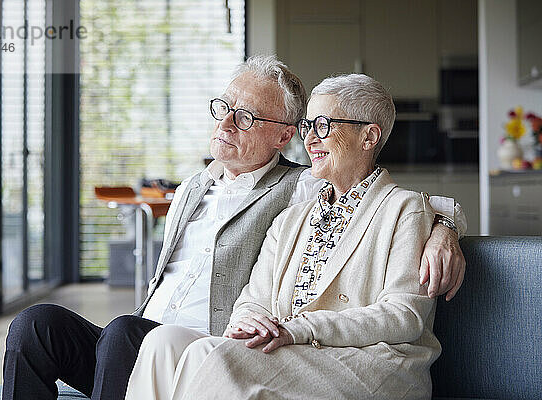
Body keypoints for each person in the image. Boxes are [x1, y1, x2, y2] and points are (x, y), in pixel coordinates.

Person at [2, 56, 465, 400]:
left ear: (283, 135)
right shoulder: (191, 188)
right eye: (224, 107)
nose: (225, 122)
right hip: (145, 341)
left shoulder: (297, 186)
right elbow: (253, 297)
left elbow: (396, 201)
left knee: (127, 332)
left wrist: (445, 226)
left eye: (244, 116)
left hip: (204, 341)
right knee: (36, 324)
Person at [126, 73, 445, 400]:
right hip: (295, 348)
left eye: (324, 126)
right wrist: (248, 322)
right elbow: (252, 300)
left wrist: (301, 328)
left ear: (368, 137)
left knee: (212, 355)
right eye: (307, 127)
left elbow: (403, 317)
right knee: (161, 343)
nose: (310, 140)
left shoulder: (405, 209)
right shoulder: (292, 219)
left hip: (369, 360)